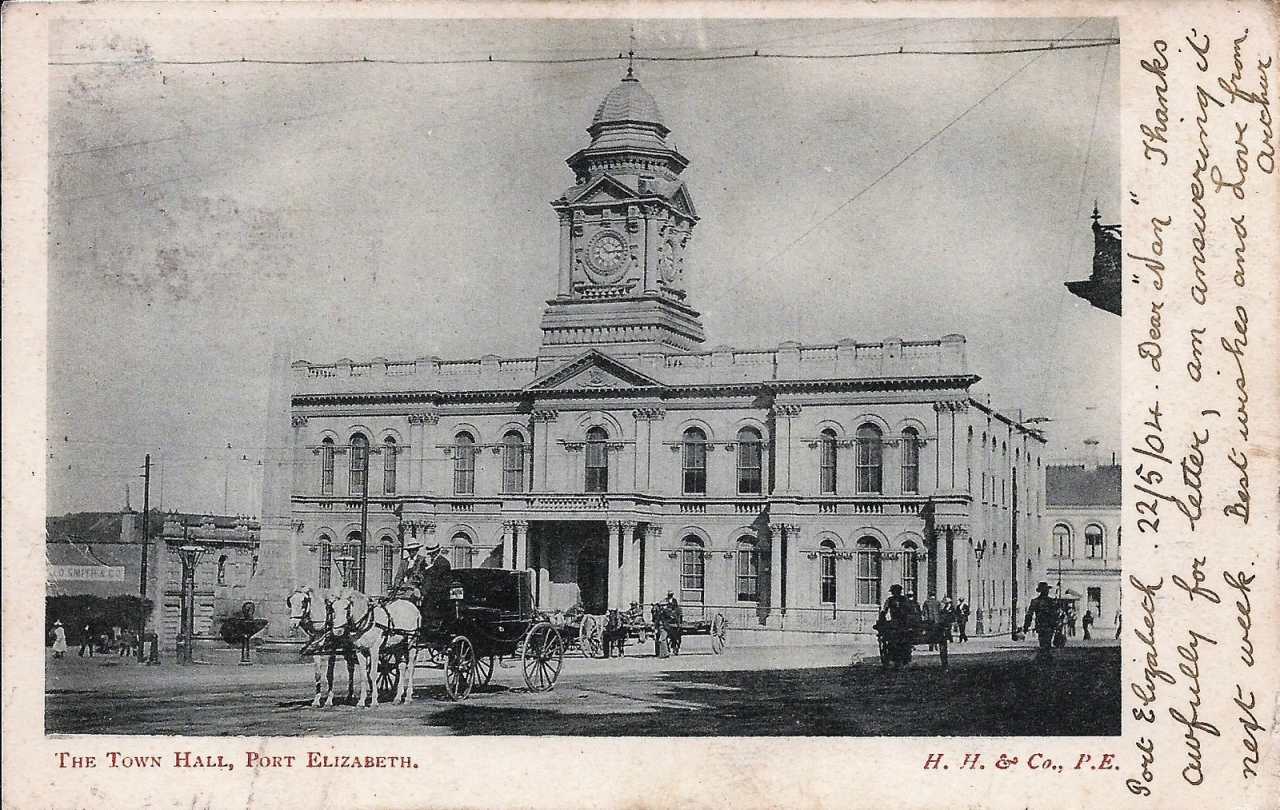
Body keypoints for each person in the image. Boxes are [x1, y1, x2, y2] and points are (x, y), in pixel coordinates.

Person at [878, 584, 916, 668]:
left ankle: (898, 658)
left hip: (897, 623)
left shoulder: (890, 600)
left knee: (894, 640)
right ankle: (903, 658)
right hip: (903, 623)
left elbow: (884, 611)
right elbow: (910, 610)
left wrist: (881, 620)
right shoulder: (904, 599)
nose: (894, 593)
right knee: (903, 640)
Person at [1023, 582, 1061, 663]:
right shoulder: (1050, 602)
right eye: (1046, 590)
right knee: (1046, 642)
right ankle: (1045, 657)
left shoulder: (1036, 601)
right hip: (1048, 625)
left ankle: (1045, 657)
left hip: (1042, 625)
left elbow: (1029, 615)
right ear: (1043, 591)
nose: (1047, 591)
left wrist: (1026, 625)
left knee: (1044, 642)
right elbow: (1055, 615)